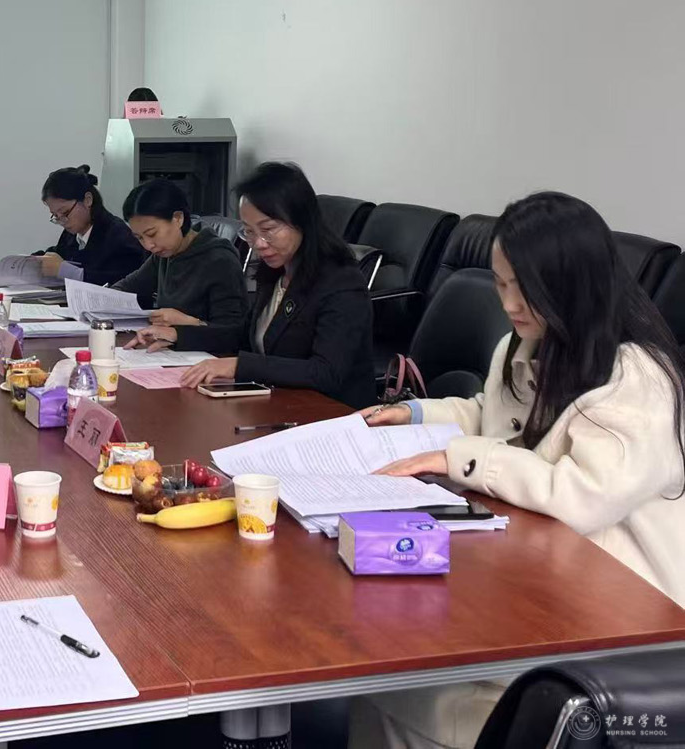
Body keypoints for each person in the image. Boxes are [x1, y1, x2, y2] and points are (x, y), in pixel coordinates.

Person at [350, 192, 685, 749]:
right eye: (501, 283)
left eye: (523, 287)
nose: (508, 302)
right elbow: (496, 417)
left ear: (571, 283)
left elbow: (583, 496)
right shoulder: (526, 342)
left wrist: (457, 458)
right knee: (388, 657)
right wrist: (415, 413)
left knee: (409, 692)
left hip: (625, 619)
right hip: (536, 577)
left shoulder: (636, 378)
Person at [174, 163, 375, 408]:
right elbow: (245, 336)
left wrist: (239, 365)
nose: (259, 243)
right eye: (248, 231)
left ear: (302, 220)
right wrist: (178, 335)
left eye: (268, 229)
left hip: (332, 414)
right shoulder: (275, 270)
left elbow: (326, 372)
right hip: (279, 403)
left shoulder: (342, 282)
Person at [114, 178, 248, 352]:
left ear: (178, 218)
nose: (148, 245)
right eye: (139, 238)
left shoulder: (220, 260)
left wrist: (188, 323)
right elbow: (126, 287)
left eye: (152, 234)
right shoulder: (164, 254)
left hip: (210, 358)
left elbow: (233, 335)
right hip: (172, 351)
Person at [36, 165, 146, 286]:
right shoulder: (71, 234)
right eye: (56, 216)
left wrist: (68, 272)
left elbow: (122, 283)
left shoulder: (118, 237)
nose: (62, 221)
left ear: (87, 200)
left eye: (65, 212)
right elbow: (58, 254)